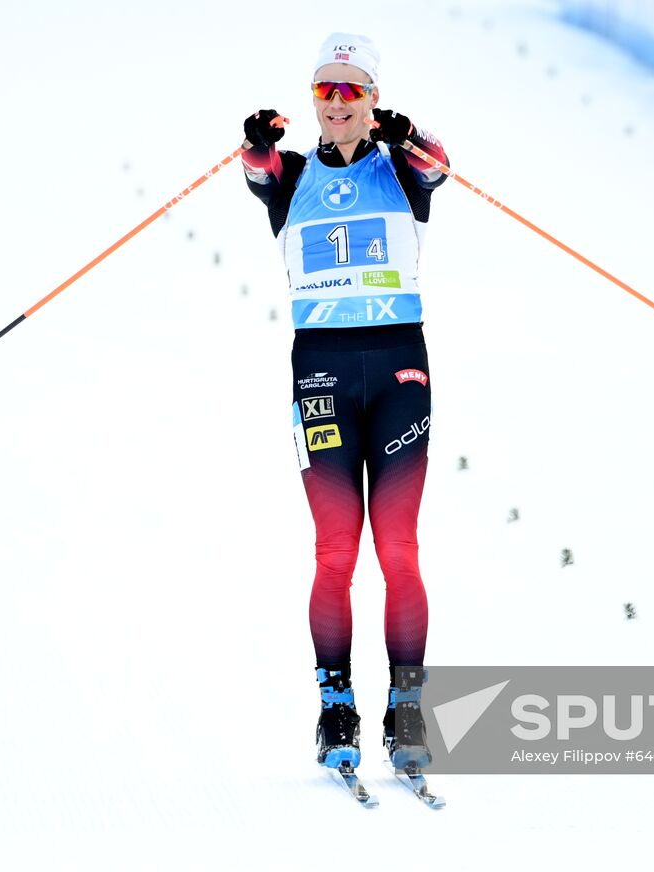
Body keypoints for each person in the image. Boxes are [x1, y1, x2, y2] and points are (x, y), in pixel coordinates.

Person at [240, 33, 450, 773]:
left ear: (371, 99)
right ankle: (336, 709)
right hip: (321, 375)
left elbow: (438, 166)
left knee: (397, 547)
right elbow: (260, 173)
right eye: (323, 90)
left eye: (349, 90)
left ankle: (407, 707)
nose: (333, 103)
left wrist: (409, 133)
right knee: (336, 549)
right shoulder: (293, 175)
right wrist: (257, 141)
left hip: (398, 373)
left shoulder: (400, 169)